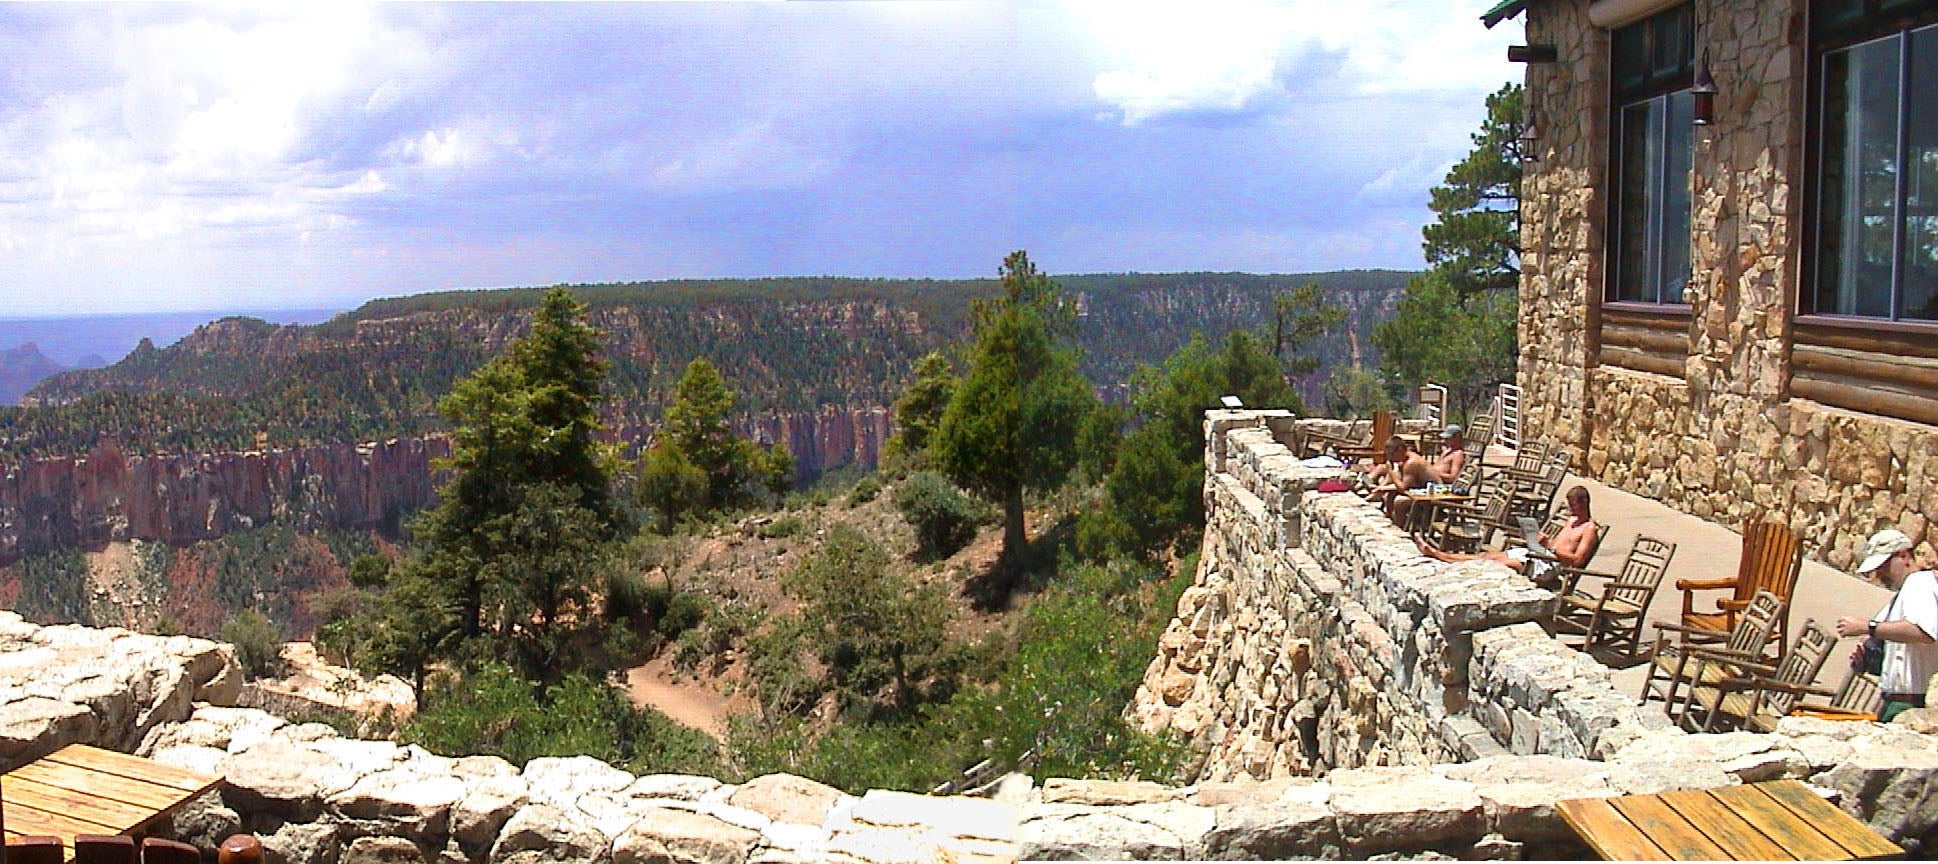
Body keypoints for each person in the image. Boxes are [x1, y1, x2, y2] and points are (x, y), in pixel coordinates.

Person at [1835, 529, 1938, 723]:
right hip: (1896, 701)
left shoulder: (1920, 583)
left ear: (1903, 555)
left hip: (1912, 704)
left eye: (1883, 566)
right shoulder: (1904, 593)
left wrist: (1868, 627)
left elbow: (1924, 632)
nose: (1879, 574)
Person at [1413, 485, 1599, 587]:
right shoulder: (1571, 521)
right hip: (1538, 556)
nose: (1569, 509)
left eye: (1573, 504)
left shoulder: (1589, 529)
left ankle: (1443, 559)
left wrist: (1549, 545)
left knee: (1494, 563)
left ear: (1584, 503)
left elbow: (1576, 561)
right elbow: (1553, 546)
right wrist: (1534, 539)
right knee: (1486, 556)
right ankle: (1441, 555)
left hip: (1548, 567)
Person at [1362, 436, 1433, 522]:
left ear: (1400, 450)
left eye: (1392, 454)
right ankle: (1392, 519)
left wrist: (1391, 471)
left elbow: (1403, 487)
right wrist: (1381, 488)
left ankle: (1401, 526)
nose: (1390, 458)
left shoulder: (1411, 463)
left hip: (1431, 494)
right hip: (1417, 488)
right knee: (1389, 495)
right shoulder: (1403, 460)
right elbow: (1399, 480)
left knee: (1399, 502)